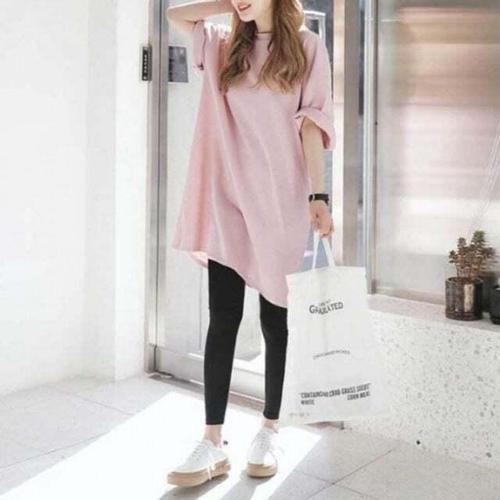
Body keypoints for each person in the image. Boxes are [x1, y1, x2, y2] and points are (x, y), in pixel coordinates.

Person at [165, 0, 334, 487]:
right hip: (228, 197)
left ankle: (269, 430)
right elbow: (178, 14)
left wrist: (318, 196)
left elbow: (312, 124)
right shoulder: (224, 44)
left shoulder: (307, 46)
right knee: (223, 318)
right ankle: (212, 441)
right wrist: (232, 4)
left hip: (280, 201)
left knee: (275, 321)